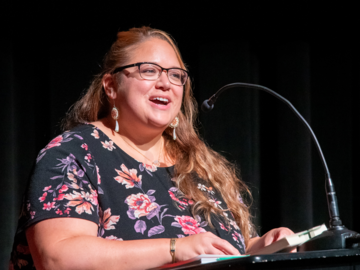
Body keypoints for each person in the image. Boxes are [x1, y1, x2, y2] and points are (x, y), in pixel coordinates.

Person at [10, 26, 293, 270]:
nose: (165, 83)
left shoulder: (200, 166)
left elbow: (223, 250)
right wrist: (175, 249)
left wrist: (262, 248)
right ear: (111, 86)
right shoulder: (73, 154)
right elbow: (58, 257)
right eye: (149, 71)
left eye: (175, 75)